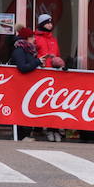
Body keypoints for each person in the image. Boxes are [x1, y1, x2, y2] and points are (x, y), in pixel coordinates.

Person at [34, 13, 66, 141]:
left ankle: (54, 129)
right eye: (47, 23)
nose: (50, 25)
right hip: (41, 74)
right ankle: (43, 129)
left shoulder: (53, 39)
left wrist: (60, 62)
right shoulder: (36, 38)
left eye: (51, 23)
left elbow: (57, 54)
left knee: (52, 103)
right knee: (42, 102)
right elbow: (33, 54)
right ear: (42, 24)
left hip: (54, 74)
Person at [11, 27, 43, 141]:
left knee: (27, 108)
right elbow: (23, 67)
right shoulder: (20, 50)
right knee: (21, 109)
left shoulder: (28, 50)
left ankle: (26, 134)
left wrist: (39, 63)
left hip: (28, 86)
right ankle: (22, 135)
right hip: (20, 86)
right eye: (32, 37)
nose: (34, 39)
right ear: (26, 38)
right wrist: (37, 62)